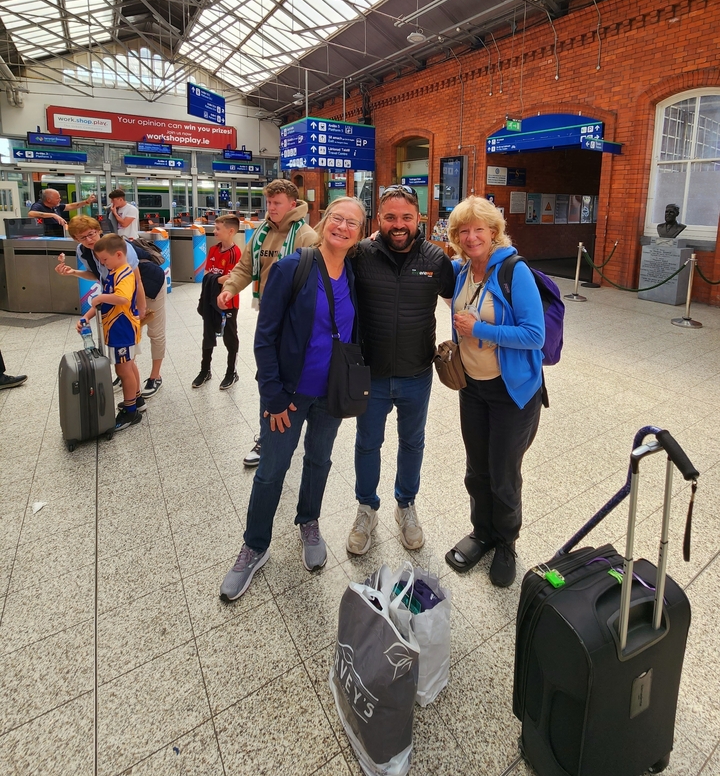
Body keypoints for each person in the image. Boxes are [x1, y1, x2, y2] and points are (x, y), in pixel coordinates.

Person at [219, 197, 366, 602]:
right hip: (288, 393)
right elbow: (264, 337)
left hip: (331, 392)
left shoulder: (354, 273)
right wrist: (273, 397)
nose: (342, 227)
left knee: (319, 460)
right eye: (337, 218)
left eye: (352, 223)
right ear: (324, 221)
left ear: (360, 233)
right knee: (271, 469)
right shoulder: (292, 268)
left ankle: (308, 521)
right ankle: (254, 545)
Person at [346, 184, 455, 556]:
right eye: (390, 217)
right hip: (370, 374)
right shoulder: (360, 255)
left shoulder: (435, 259)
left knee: (412, 442)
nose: (398, 224)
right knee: (367, 443)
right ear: (379, 218)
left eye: (406, 217)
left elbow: (461, 301)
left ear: (418, 218)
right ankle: (366, 508)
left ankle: (406, 505)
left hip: (416, 373)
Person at [444, 196, 545, 588]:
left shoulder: (514, 271)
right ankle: (482, 532)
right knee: (477, 468)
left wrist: (480, 330)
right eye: (463, 231)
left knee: (503, 473)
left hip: (511, 391)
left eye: (478, 230)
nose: (471, 237)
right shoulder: (462, 271)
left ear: (493, 232)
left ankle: (506, 542)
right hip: (471, 388)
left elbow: (534, 335)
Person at [218, 179, 318, 466]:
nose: (271, 208)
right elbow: (245, 267)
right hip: (268, 316)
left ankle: (285, 431)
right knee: (267, 374)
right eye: (269, 203)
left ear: (292, 204)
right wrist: (230, 288)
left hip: (296, 321)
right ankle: (268, 435)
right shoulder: (261, 233)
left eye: (277, 203)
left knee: (286, 375)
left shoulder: (306, 236)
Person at [55, 216, 166, 400]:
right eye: (82, 237)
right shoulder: (83, 251)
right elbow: (98, 275)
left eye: (91, 234)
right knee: (128, 337)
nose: (89, 240)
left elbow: (137, 279)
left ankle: (155, 376)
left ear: (99, 230)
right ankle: (127, 373)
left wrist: (141, 307)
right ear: (76, 239)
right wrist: (74, 272)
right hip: (121, 293)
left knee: (155, 332)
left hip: (149, 285)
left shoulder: (119, 247)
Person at [77, 234, 142, 431]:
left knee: (123, 370)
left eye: (104, 259)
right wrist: (86, 317)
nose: (102, 264)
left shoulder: (125, 273)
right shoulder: (113, 273)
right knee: (128, 366)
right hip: (116, 329)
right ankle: (136, 400)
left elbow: (122, 298)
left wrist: (100, 298)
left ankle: (131, 411)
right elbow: (103, 301)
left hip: (123, 329)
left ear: (119, 254)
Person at [193, 214, 242, 391]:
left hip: (229, 302)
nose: (214, 231)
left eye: (218, 229)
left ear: (230, 231)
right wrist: (216, 278)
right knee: (207, 335)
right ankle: (205, 370)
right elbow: (208, 274)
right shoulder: (213, 249)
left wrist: (215, 278)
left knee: (230, 337)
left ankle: (231, 372)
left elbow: (230, 279)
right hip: (210, 300)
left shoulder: (235, 253)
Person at [28, 187, 96, 235]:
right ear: (49, 200)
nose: (60, 200)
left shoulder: (56, 206)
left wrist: (86, 202)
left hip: (59, 231)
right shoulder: (38, 205)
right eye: (58, 198)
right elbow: (31, 214)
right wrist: (53, 215)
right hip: (47, 233)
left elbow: (71, 206)